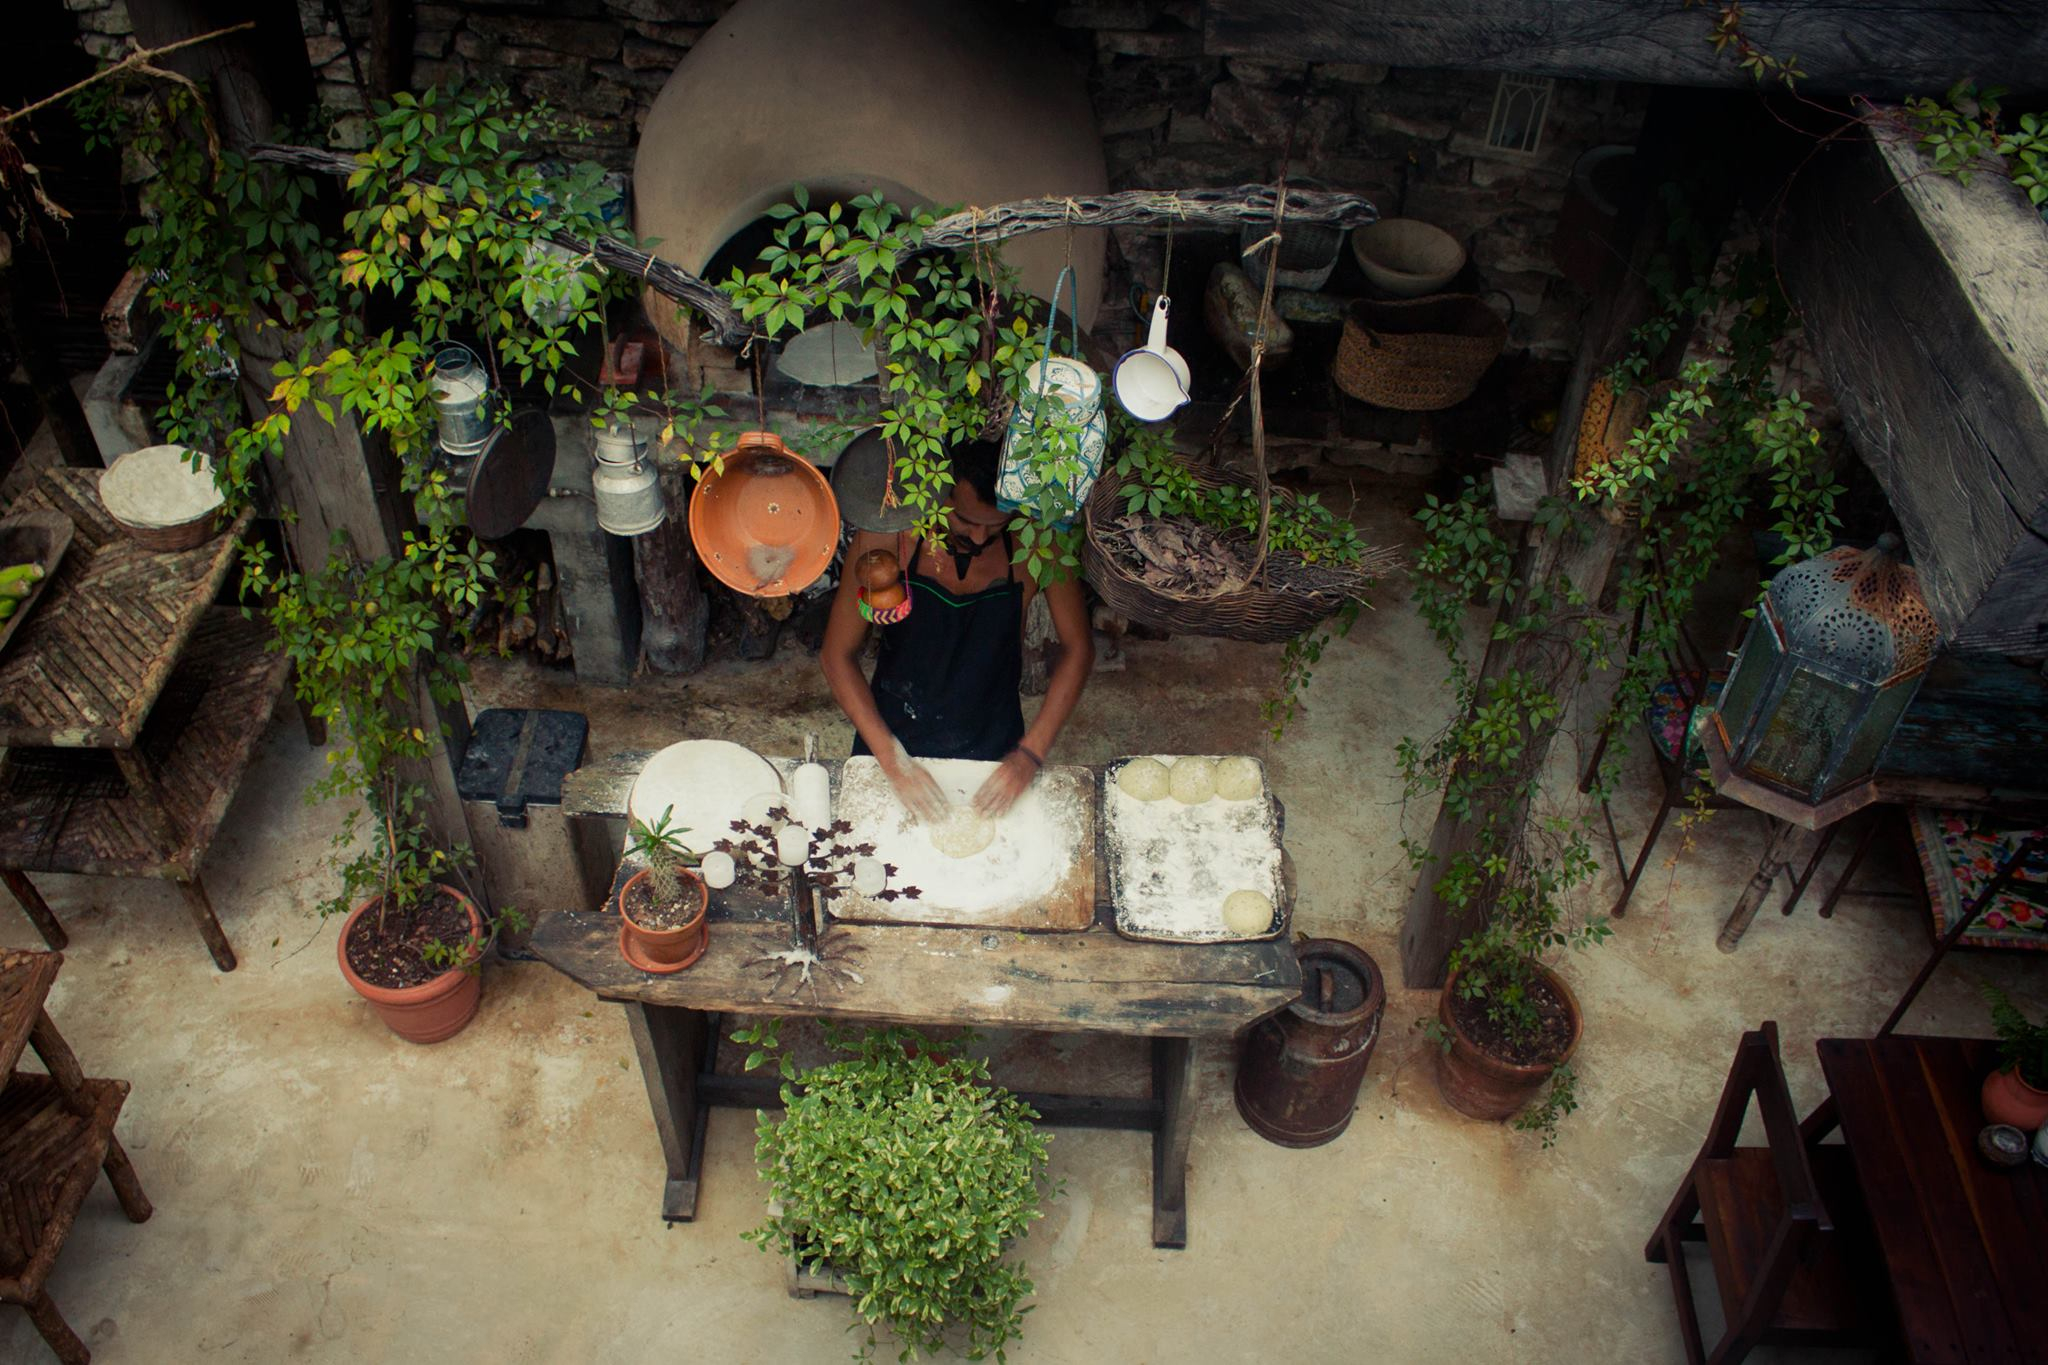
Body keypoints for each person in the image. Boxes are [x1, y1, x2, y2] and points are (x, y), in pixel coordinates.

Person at [822, 440, 1093, 822]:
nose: (980, 537)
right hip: (891, 733)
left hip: (992, 738)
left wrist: (1029, 756)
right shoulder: (890, 538)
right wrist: (892, 760)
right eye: (964, 521)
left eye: (995, 525)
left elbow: (1078, 648)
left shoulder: (1038, 546)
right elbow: (837, 655)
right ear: (936, 496)